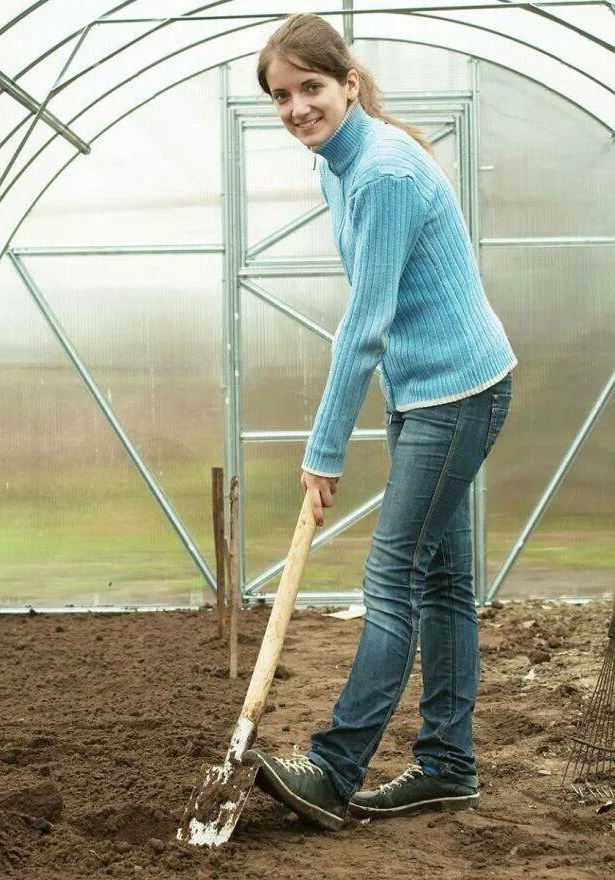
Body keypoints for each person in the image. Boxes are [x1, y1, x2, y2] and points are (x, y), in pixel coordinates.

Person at [242, 14, 517, 830]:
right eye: (281, 96)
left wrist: (324, 449)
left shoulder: (382, 173)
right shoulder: (338, 162)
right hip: (421, 390)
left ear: (347, 84)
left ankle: (333, 768)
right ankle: (447, 766)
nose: (295, 108)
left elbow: (364, 321)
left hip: (457, 393)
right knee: (441, 581)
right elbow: (379, 314)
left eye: (310, 88)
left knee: (390, 578)